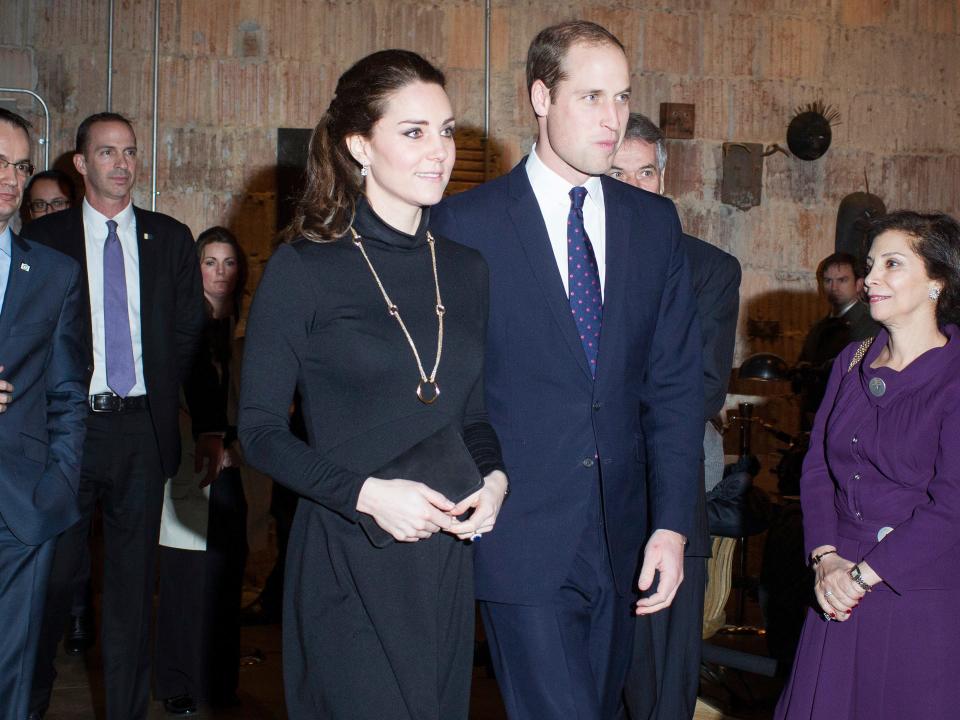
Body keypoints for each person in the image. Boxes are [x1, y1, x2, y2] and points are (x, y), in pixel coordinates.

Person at [433, 21, 704, 720]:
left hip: (623, 540)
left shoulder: (654, 224)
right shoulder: (465, 225)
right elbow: (446, 386)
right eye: (591, 96)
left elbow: (673, 389)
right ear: (540, 97)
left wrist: (672, 525)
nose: (613, 119)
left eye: (621, 97)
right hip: (519, 533)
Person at [238, 49, 508, 720]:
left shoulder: (469, 270)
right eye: (413, 131)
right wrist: (366, 495)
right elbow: (261, 433)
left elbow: (472, 416)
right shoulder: (304, 267)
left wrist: (496, 480)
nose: (439, 151)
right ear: (359, 143)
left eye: (446, 130)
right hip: (347, 556)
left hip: (441, 566)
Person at [23, 112, 205, 720]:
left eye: (129, 152)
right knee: (51, 580)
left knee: (131, 596)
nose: (122, 164)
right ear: (81, 164)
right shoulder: (45, 243)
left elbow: (186, 333)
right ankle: (27, 701)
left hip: (140, 434)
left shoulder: (170, 237)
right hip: (68, 435)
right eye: (107, 153)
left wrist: (159, 398)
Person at [775, 210, 960, 720]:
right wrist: (825, 557)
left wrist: (860, 577)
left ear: (936, 283)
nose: (871, 278)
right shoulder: (851, 359)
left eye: (892, 264)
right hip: (836, 590)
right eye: (871, 264)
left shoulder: (954, 377)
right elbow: (817, 470)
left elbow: (952, 508)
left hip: (915, 594)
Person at [609, 113, 741, 720]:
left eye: (645, 172)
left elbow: (704, 391)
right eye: (618, 173)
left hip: (665, 490)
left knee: (661, 678)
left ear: (662, 179)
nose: (634, 187)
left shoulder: (709, 269)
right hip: (582, 502)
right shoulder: (570, 262)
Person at [0, 108, 87, 720]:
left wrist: (55, 483)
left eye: (21, 166)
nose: (11, 178)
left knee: (14, 676)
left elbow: (66, 391)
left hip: (21, 506)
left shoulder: (53, 272)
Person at [154, 226, 249, 715]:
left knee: (223, 584)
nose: (220, 273)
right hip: (189, 464)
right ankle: (178, 681)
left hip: (239, 469)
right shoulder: (180, 324)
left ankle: (216, 685)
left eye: (229, 262)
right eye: (210, 262)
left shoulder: (250, 328)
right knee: (186, 578)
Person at [797, 252, 880, 426]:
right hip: (816, 418)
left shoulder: (871, 324)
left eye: (842, 280)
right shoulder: (819, 328)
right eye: (828, 281)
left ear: (858, 284)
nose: (834, 287)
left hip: (848, 420)